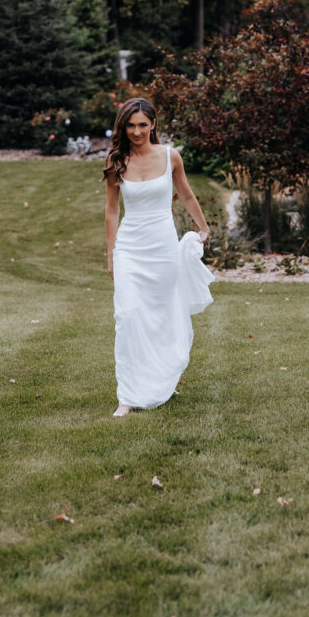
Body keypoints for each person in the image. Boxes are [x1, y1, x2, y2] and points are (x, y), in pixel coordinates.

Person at [104, 98, 215, 417]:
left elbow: (186, 194)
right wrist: (112, 253)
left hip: (162, 246)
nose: (136, 131)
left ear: (153, 124)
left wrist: (203, 227)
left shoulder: (170, 156)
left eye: (142, 124)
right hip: (130, 246)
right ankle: (126, 395)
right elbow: (112, 210)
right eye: (130, 125)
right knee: (127, 315)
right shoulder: (116, 161)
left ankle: (164, 375)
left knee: (163, 314)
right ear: (123, 127)